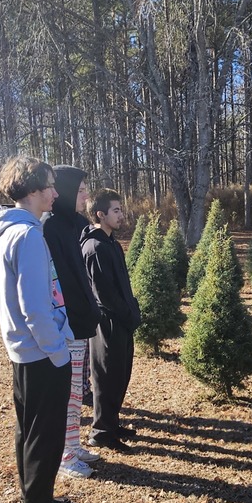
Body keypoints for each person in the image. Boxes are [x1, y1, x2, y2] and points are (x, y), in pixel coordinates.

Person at [0, 156, 79, 503]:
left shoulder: (12, 230)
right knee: (45, 435)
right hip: (41, 353)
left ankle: (37, 497)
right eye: (48, 186)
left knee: (29, 430)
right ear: (30, 190)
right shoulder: (26, 236)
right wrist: (57, 350)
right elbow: (35, 307)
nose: (55, 194)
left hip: (25, 352)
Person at [42, 166, 103, 477]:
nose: (86, 196)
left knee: (78, 389)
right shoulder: (50, 228)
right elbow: (58, 281)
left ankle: (73, 444)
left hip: (83, 319)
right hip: (68, 322)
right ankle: (65, 456)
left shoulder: (77, 224)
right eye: (80, 190)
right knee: (68, 391)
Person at [81, 189, 141, 453]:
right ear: (100, 214)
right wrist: (128, 315)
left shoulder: (112, 244)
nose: (121, 215)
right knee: (106, 378)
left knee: (120, 375)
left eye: (120, 209)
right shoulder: (95, 248)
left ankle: (111, 424)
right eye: (115, 210)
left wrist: (132, 310)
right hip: (108, 324)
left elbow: (122, 287)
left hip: (123, 321)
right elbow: (104, 295)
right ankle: (101, 432)